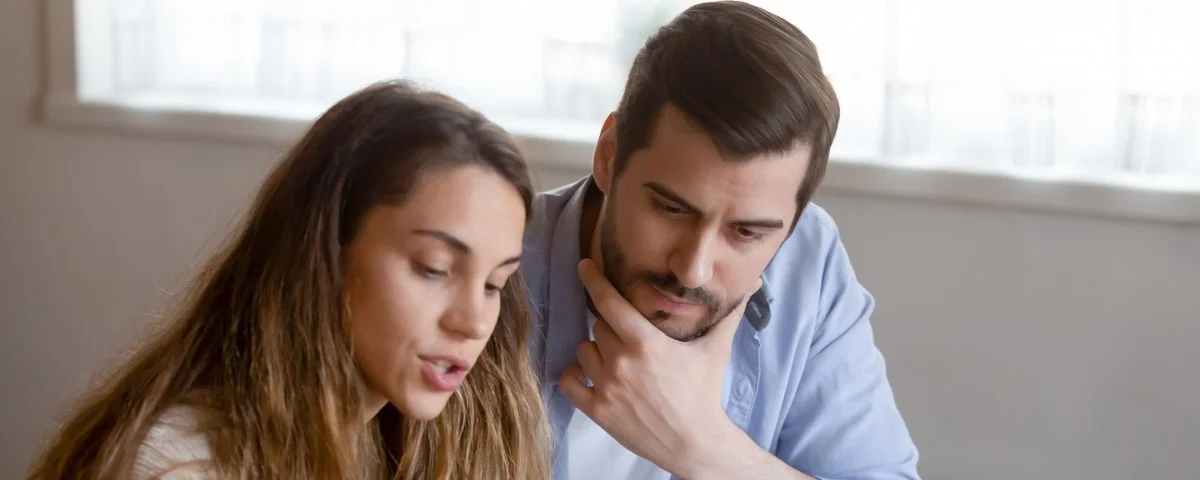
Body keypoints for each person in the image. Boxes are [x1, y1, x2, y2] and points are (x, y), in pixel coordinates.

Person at [27, 81, 551, 479]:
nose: (474, 322)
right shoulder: (177, 464)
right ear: (325, 249)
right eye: (433, 268)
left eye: (494, 284)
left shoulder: (428, 443)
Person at [521, 2, 920, 479]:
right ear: (609, 157)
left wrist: (700, 447)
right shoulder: (490, 265)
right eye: (671, 209)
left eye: (746, 233)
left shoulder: (808, 263)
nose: (693, 268)